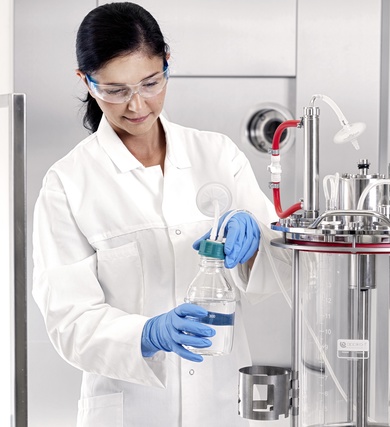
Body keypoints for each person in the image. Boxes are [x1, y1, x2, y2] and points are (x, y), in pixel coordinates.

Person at [31, 2, 290, 426]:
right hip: (130, 410)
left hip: (220, 403)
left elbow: (283, 269)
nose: (137, 105)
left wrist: (258, 240)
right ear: (86, 81)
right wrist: (146, 335)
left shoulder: (218, 155)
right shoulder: (68, 182)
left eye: (150, 83)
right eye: (115, 90)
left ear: (167, 63)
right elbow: (69, 321)